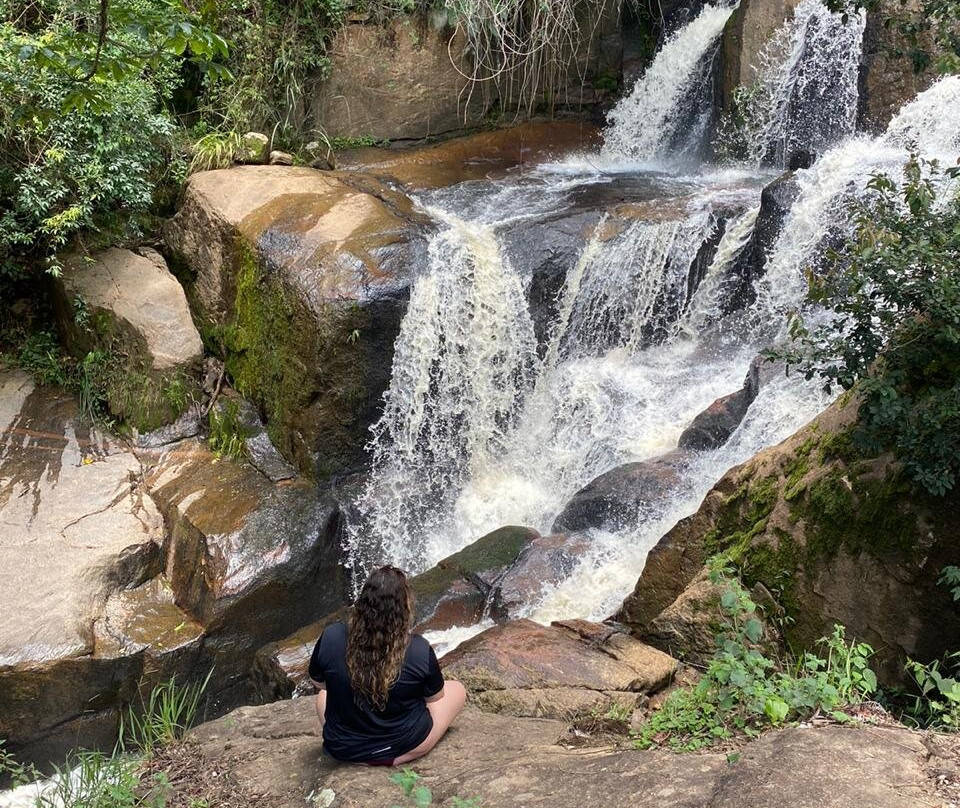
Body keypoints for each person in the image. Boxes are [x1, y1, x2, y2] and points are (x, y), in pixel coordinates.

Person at [308, 565, 467, 766]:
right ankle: (390, 756)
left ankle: (361, 750)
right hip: (399, 745)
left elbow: (319, 683)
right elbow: (435, 697)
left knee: (323, 696)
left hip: (342, 748)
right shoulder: (418, 649)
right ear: (405, 609)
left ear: (361, 603)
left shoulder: (331, 636)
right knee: (457, 689)